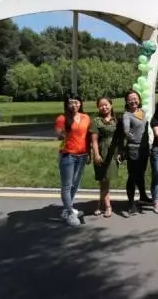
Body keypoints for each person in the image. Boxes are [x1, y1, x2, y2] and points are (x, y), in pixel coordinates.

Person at [54, 94, 91, 226]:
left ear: (80, 103)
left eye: (76, 102)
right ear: (67, 104)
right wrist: (64, 134)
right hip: (68, 155)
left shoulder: (86, 117)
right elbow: (59, 134)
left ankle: (66, 209)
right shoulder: (62, 118)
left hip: (82, 155)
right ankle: (70, 213)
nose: (74, 105)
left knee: (75, 184)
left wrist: (89, 153)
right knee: (67, 185)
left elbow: (87, 137)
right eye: (71, 103)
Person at [90, 96, 120, 218]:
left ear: (111, 105)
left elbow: (119, 138)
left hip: (112, 153)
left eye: (106, 104)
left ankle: (99, 204)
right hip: (102, 152)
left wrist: (120, 153)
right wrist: (96, 154)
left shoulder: (116, 121)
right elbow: (94, 140)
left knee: (106, 181)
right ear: (98, 107)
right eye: (101, 105)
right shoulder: (96, 121)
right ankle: (108, 206)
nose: (104, 107)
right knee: (104, 180)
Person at [122, 90, 151, 216]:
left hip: (144, 148)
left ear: (139, 99)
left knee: (141, 174)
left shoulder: (142, 112)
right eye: (130, 99)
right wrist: (128, 133)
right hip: (133, 149)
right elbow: (126, 128)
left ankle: (143, 196)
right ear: (127, 102)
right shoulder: (127, 115)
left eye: (135, 98)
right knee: (132, 176)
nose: (133, 101)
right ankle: (131, 204)